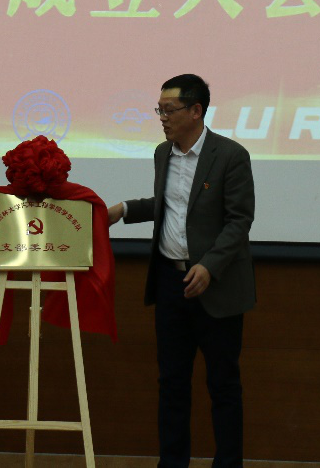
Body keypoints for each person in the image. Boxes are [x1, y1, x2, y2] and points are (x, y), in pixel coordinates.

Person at [108, 73, 256, 468]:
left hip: (216, 287)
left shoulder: (230, 155)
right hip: (171, 284)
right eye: (159, 110)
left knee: (223, 384)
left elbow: (239, 220)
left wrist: (209, 266)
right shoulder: (163, 153)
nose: (162, 118)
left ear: (196, 111)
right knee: (172, 382)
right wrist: (123, 210)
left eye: (168, 110)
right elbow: (170, 204)